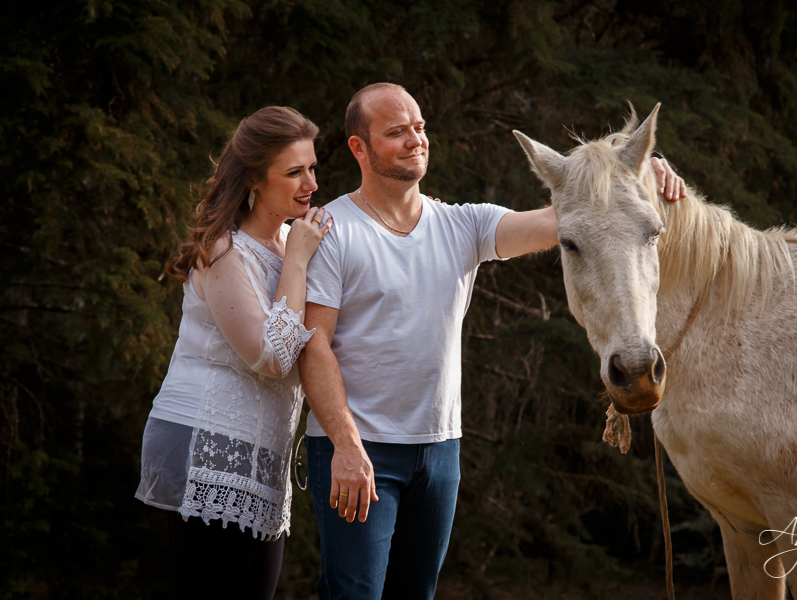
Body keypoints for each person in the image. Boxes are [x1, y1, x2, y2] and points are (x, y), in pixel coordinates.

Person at [298, 83, 685, 600]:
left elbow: (581, 216)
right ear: (359, 148)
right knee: (354, 596)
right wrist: (346, 447)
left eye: (419, 128)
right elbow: (312, 345)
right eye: (396, 133)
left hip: (438, 453)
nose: (415, 140)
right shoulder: (332, 230)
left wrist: (639, 174)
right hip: (357, 452)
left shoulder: (463, 224)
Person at [135, 106, 332, 600]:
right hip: (208, 444)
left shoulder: (294, 240)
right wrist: (298, 260)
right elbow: (270, 356)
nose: (310, 182)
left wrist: (418, 215)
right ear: (254, 181)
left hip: (264, 457)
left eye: (312, 167)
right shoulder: (225, 252)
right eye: (294, 172)